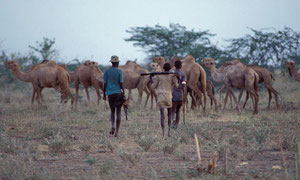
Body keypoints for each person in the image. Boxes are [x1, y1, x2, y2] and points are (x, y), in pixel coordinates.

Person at [151, 63, 178, 137]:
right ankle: (169, 132)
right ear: (170, 68)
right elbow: (177, 85)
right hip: (169, 96)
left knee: (162, 115)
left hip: (160, 96)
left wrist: (151, 79)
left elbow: (153, 86)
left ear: (163, 68)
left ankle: (163, 133)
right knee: (169, 114)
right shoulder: (172, 76)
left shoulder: (159, 75)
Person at [103, 55, 125, 137]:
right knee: (118, 112)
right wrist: (124, 93)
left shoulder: (106, 72)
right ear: (117, 63)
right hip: (118, 93)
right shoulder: (120, 72)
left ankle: (112, 125)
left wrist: (104, 94)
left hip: (110, 94)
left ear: (111, 63)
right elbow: (121, 83)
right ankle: (117, 132)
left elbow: (105, 84)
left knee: (112, 111)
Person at [171, 60, 187, 129]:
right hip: (180, 95)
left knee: (172, 110)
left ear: (174, 65)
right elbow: (184, 84)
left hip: (172, 95)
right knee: (178, 111)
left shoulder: (171, 74)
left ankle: (172, 120)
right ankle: (176, 125)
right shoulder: (183, 74)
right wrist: (184, 95)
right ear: (181, 66)